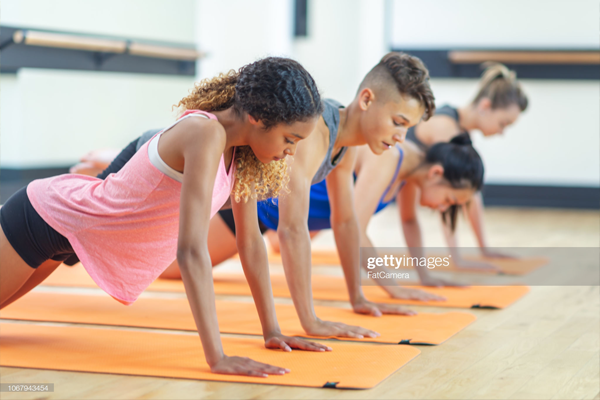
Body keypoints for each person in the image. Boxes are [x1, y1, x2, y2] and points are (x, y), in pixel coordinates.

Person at [0, 57, 333, 378]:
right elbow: (190, 251)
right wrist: (217, 357)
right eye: (290, 140)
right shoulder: (205, 134)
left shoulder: (242, 155)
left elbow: (250, 242)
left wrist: (272, 331)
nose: (291, 152)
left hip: (66, 237)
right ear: (258, 117)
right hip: (44, 218)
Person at [70, 52, 436, 319]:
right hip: (212, 187)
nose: (401, 136)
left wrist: (359, 296)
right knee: (98, 241)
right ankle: (96, 168)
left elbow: (345, 222)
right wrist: (309, 321)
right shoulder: (315, 133)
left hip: (232, 198)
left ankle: (95, 175)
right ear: (367, 99)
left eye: (408, 128)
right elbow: (292, 230)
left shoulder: (346, 146)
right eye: (398, 122)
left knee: (131, 257)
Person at [405, 63, 528, 270]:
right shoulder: (447, 128)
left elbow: (469, 195)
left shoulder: (460, 133)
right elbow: (449, 195)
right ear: (485, 106)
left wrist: (484, 249)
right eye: (503, 123)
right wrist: (457, 259)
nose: (501, 132)